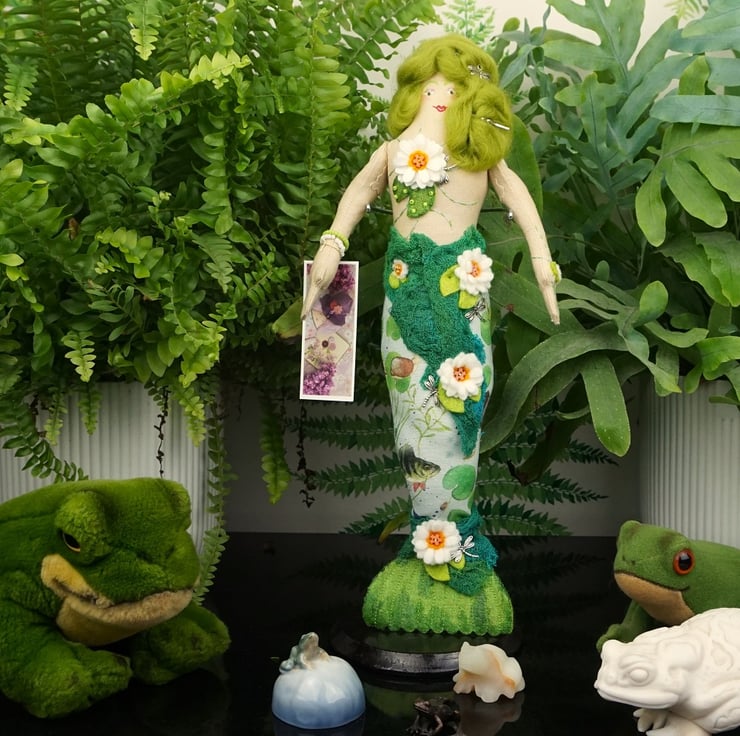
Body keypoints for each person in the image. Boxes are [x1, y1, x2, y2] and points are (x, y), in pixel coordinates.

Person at [302, 34, 560, 636]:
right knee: (412, 415)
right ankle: (427, 538)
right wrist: (331, 247)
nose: (440, 96)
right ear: (415, 91)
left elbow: (518, 197)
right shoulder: (394, 151)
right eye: (430, 86)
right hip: (403, 306)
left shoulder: (480, 155)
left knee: (460, 408)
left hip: (464, 298)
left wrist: (542, 262)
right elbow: (358, 193)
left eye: (452, 87)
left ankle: (453, 541)